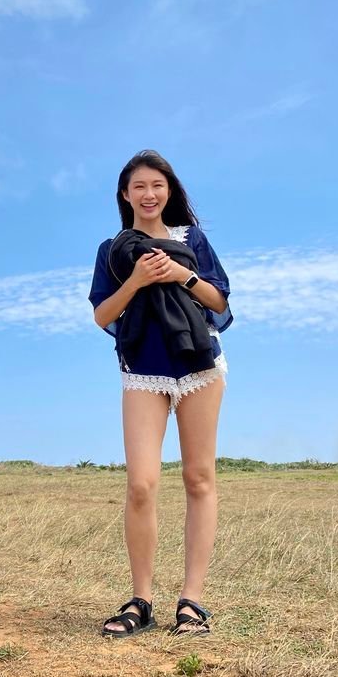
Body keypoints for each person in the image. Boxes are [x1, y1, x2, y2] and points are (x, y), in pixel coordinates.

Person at [89, 150, 233, 638]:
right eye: (139, 187)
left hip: (200, 367)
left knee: (199, 479)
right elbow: (102, 315)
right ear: (125, 195)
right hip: (143, 370)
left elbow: (220, 301)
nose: (149, 195)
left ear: (169, 191)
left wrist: (181, 275)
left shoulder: (192, 241)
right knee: (142, 484)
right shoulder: (114, 248)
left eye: (158, 185)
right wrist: (137, 279)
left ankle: (191, 602)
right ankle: (141, 600)